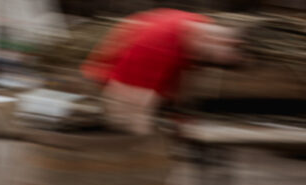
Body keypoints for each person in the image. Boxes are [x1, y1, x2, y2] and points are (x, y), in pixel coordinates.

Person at [82, 9, 238, 136]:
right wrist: (145, 142)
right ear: (211, 40)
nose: (206, 63)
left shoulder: (201, 25)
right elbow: (130, 103)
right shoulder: (155, 47)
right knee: (128, 123)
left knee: (168, 115)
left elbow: (188, 77)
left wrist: (181, 113)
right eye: (209, 58)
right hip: (114, 77)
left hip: (155, 67)